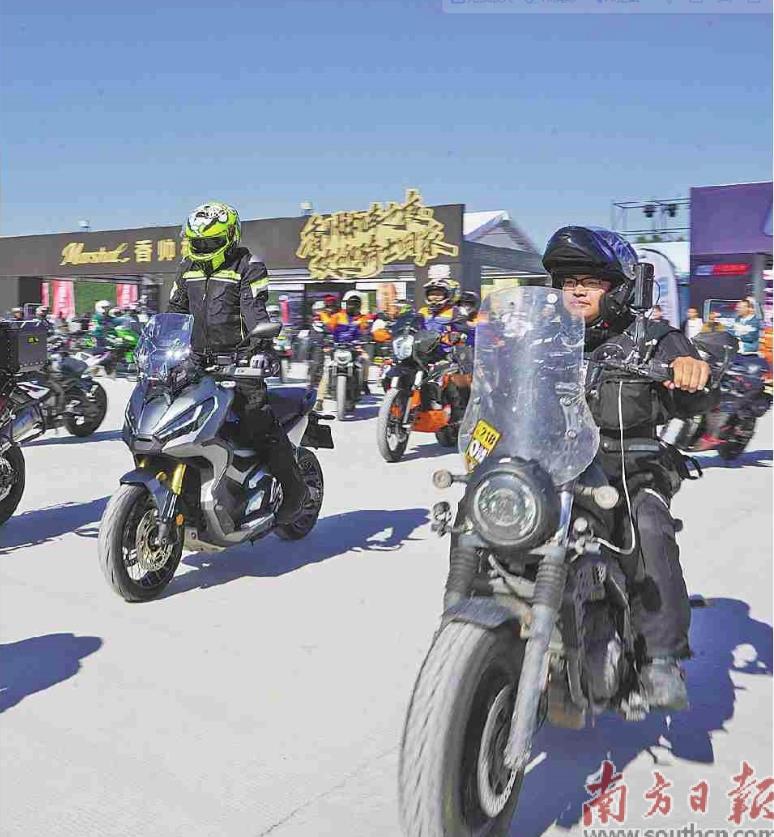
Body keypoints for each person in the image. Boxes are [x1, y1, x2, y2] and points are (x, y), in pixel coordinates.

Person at [543, 225, 710, 710]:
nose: (576, 290)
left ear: (619, 288)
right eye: (568, 281)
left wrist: (692, 372)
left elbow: (695, 386)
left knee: (649, 525)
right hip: (553, 465)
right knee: (480, 510)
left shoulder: (654, 339)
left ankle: (660, 656)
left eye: (591, 281)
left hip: (626, 466)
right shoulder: (545, 339)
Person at [167, 201, 307, 524]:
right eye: (198, 242)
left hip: (239, 362)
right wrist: (162, 350)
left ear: (230, 237)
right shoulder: (187, 268)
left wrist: (259, 349)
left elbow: (255, 312)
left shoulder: (247, 267)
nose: (203, 248)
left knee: (257, 422)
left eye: (211, 242)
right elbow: (174, 313)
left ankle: (294, 491)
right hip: (196, 363)